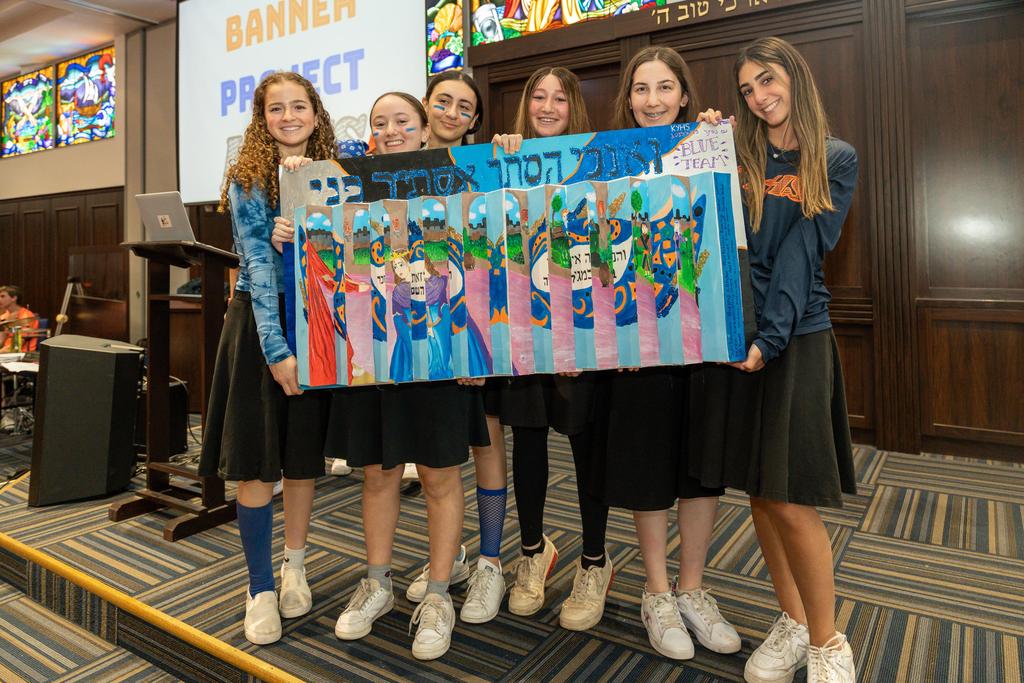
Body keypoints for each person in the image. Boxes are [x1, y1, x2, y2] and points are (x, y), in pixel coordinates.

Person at [276, 91, 487, 660]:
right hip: (374, 357)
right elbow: (318, 246)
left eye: (402, 121)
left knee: (441, 474)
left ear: (424, 128)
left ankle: (438, 594)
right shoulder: (348, 186)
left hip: (442, 356)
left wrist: (480, 354)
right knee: (378, 473)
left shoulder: (455, 181)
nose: (391, 130)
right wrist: (299, 185)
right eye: (380, 122)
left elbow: (482, 263)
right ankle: (377, 583)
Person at [697, 37, 859, 683]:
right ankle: (792, 621)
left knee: (791, 498)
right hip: (740, 338)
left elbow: (800, 253)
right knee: (761, 493)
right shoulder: (740, 153)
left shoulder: (835, 158)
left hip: (796, 334)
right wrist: (699, 140)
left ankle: (829, 642)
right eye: (747, 89)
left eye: (767, 80)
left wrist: (771, 337)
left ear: (793, 75)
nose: (760, 96)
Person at [588, 46, 742, 661]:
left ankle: (693, 588)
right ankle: (656, 593)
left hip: (704, 343)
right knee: (648, 466)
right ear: (628, 100)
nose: (652, 100)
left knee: (701, 469)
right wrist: (609, 325)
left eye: (664, 88)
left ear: (683, 94)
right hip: (636, 345)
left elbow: (733, 235)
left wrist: (716, 141)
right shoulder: (605, 163)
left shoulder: (709, 148)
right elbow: (587, 254)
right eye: (641, 89)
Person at [197, 71, 336, 647]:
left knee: (300, 458)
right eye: (276, 108)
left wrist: (311, 207)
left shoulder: (335, 171)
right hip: (262, 328)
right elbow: (255, 268)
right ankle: (258, 587)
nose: (288, 117)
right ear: (262, 118)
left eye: (298, 106)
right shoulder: (249, 179)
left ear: (315, 113)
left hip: (315, 320)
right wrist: (277, 351)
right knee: (257, 464)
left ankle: (294, 566)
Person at [488, 67, 614, 632]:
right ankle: (533, 551)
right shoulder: (505, 160)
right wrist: (499, 156)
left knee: (587, 445)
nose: (546, 106)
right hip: (523, 328)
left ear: (574, 107)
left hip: (583, 328)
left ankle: (595, 560)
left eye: (559, 98)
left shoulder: (597, 161)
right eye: (537, 96)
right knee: (529, 441)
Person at [0, 286, 39, 352]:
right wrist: (6, 324)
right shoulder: (3, 316)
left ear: (14, 298)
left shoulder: (26, 316)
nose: (0, 299)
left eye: (3, 296)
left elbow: (17, 346)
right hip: (5, 353)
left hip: (22, 354)